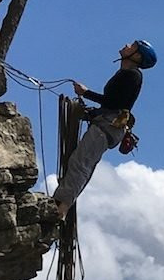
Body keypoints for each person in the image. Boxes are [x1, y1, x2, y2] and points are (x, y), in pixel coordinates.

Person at [48, 38, 156, 216]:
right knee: (80, 161)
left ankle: (61, 208)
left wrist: (86, 93)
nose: (127, 45)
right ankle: (61, 203)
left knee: (80, 163)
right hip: (107, 124)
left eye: (133, 46)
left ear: (136, 55)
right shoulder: (125, 74)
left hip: (108, 126)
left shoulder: (133, 75)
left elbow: (116, 102)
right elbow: (114, 103)